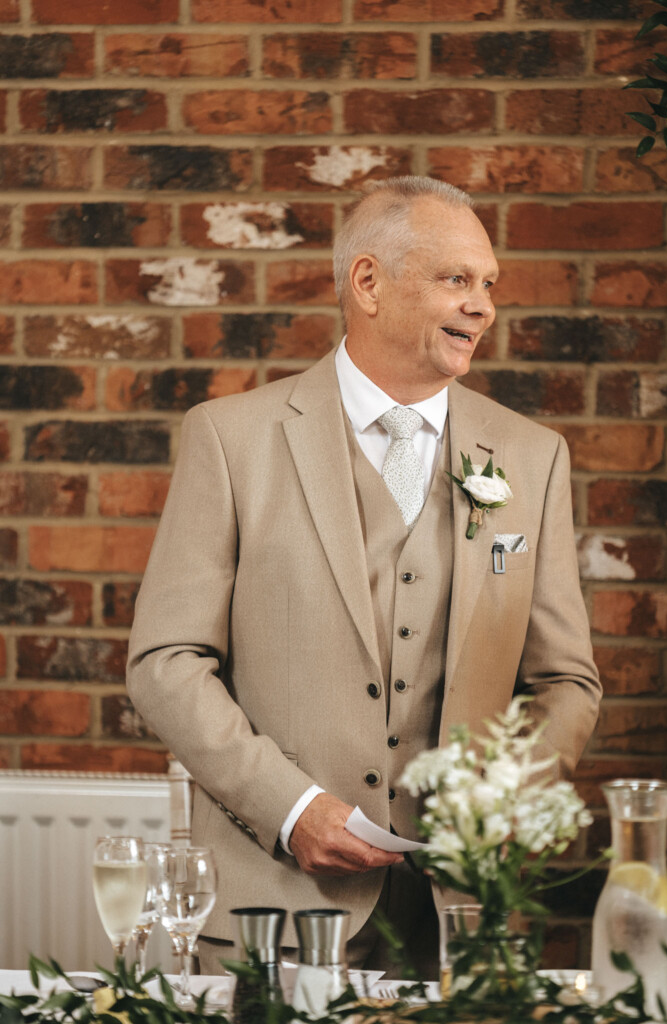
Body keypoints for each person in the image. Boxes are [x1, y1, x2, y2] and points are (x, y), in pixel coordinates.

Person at [126, 176, 601, 976]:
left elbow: (565, 681)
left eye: (488, 284)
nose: (482, 306)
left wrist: (501, 807)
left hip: (461, 920)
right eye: (456, 279)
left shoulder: (530, 455)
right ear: (369, 283)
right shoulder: (230, 439)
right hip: (273, 912)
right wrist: (293, 808)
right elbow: (164, 664)